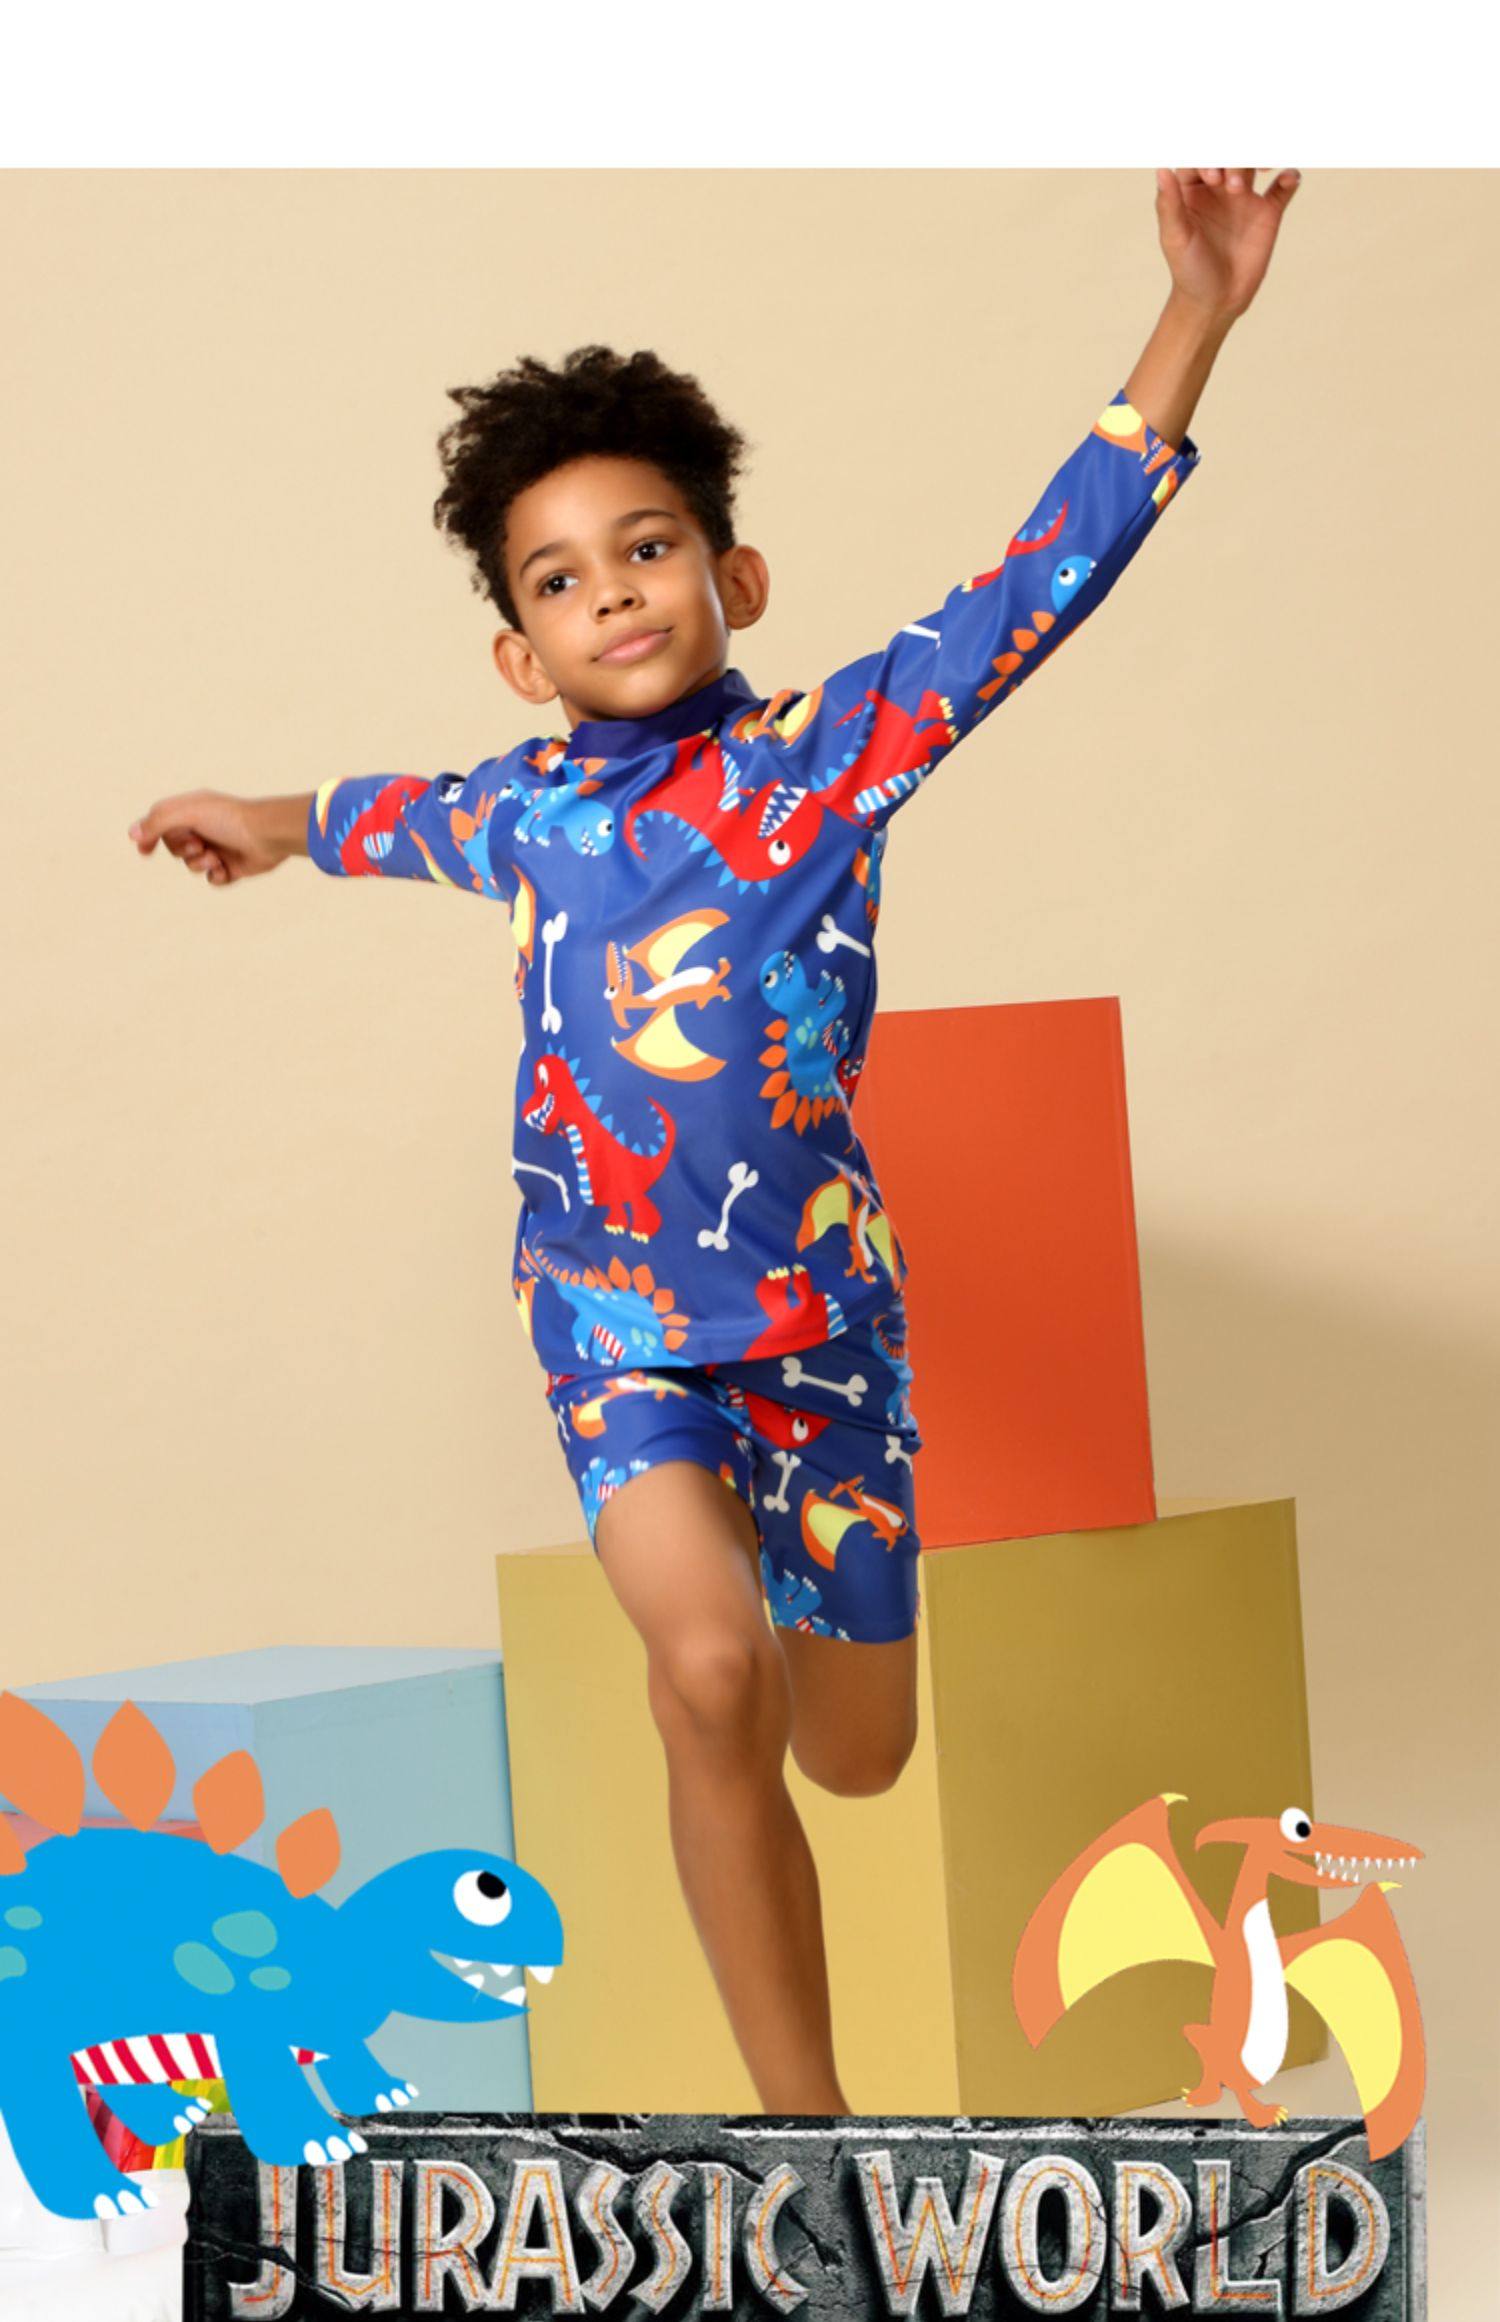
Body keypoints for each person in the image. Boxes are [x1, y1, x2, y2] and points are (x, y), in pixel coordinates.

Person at [128, 167, 1301, 2116]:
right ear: (521, 653)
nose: (610, 593)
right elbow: (378, 811)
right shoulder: (522, 810)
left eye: (648, 548)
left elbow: (1039, 579)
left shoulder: (828, 761)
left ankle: (784, 1593)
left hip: (822, 1326)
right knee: (707, 1676)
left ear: (734, 579)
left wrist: (1198, 308)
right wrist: (259, 818)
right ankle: (807, 2136)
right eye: (558, 579)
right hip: (615, 1324)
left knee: (856, 1755)